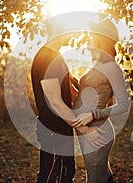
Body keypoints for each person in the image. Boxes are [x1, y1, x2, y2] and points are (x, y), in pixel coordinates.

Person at [31, 19, 108, 183]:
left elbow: (69, 92)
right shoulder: (46, 58)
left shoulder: (56, 57)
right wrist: (86, 131)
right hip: (53, 129)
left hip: (61, 128)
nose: (72, 36)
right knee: (50, 176)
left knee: (67, 173)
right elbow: (55, 102)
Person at [71, 18, 130, 183]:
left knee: (95, 178)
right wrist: (71, 80)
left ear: (101, 37)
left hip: (98, 131)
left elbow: (124, 105)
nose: (89, 37)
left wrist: (93, 115)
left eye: (92, 34)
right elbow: (89, 92)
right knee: (103, 177)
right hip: (87, 131)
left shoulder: (112, 67)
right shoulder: (97, 64)